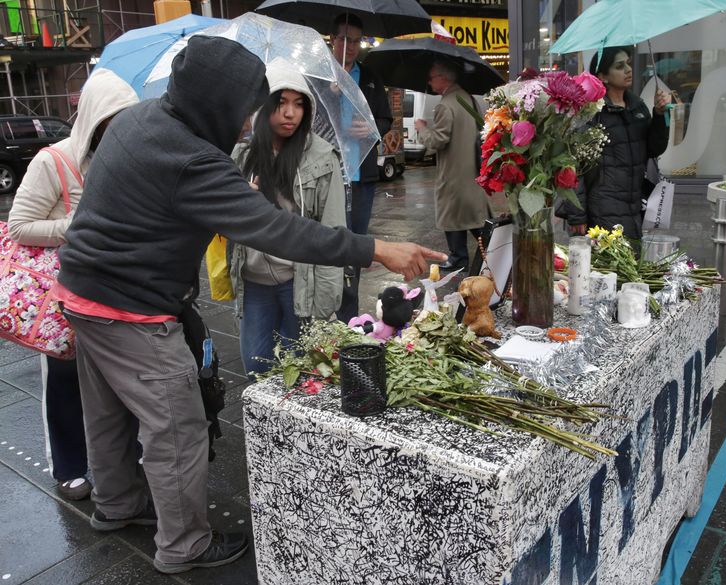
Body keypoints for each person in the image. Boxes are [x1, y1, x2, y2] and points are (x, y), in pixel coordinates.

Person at [55, 36, 444, 575]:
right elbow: (277, 231)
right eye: (245, 109)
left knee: (105, 415)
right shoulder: (191, 159)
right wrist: (377, 248)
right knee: (176, 427)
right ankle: (184, 545)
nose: (248, 123)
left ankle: (117, 505)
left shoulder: (140, 119)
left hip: (80, 292)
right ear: (215, 103)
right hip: (132, 309)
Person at [7, 69, 139, 502]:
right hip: (64, 292)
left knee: (119, 379)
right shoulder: (54, 160)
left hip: (118, 286)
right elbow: (21, 226)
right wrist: (79, 225)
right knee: (64, 380)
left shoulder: (128, 156)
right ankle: (67, 467)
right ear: (94, 118)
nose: (120, 129)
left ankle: (121, 458)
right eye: (111, 121)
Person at [229, 60, 346, 377]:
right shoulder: (240, 157)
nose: (290, 113)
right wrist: (243, 202)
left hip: (300, 282)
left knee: (300, 368)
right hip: (254, 282)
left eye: (298, 104)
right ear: (261, 107)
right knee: (256, 365)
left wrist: (326, 300)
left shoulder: (322, 157)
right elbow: (221, 222)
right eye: (280, 103)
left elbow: (334, 229)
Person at [556, 46, 670, 240]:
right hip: (603, 209)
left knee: (632, 262)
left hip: (634, 205)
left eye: (628, 63)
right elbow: (574, 167)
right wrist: (577, 216)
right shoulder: (591, 113)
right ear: (603, 76)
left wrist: (660, 115)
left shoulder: (637, 107)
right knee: (608, 268)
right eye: (620, 66)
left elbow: (654, 148)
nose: (628, 69)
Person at [330, 13, 393, 324]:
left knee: (355, 246)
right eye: (343, 39)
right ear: (332, 39)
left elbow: (385, 119)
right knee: (323, 242)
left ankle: (348, 315)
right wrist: (328, 94)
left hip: (360, 178)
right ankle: (318, 308)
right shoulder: (318, 76)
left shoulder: (369, 77)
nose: (349, 46)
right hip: (326, 176)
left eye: (355, 41)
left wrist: (369, 129)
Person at [415, 59, 491, 271]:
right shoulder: (467, 98)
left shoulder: (445, 105)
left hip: (453, 173)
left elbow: (436, 141)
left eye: (431, 78)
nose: (429, 83)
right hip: (471, 169)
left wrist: (422, 129)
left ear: (443, 78)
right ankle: (489, 253)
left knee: (454, 215)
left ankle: (459, 257)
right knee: (473, 216)